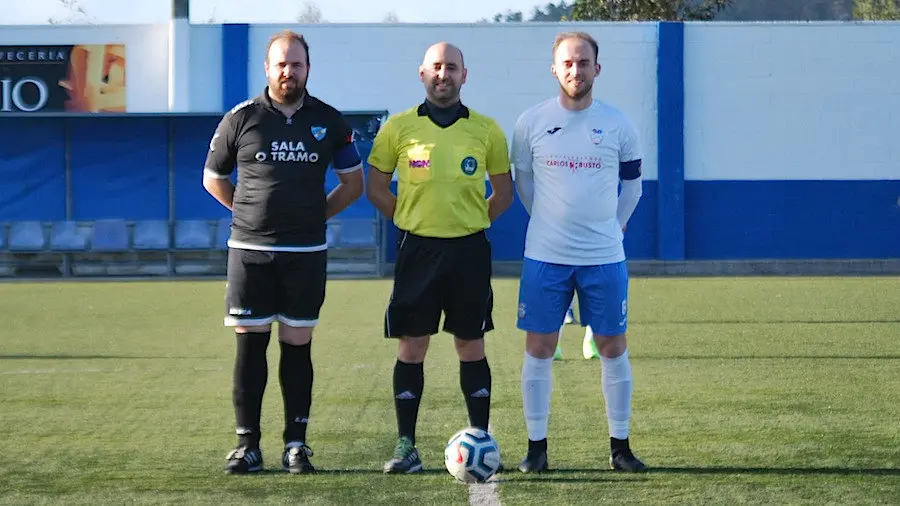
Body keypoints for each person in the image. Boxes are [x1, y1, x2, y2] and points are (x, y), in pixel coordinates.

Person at [203, 29, 364, 475]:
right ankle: (247, 446)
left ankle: (297, 444)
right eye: (281, 64)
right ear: (268, 68)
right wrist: (249, 211)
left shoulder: (330, 121)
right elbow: (213, 178)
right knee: (250, 347)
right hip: (250, 252)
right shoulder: (240, 118)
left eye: (296, 64)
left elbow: (354, 184)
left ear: (307, 69)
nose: (288, 71)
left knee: (297, 346)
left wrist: (316, 215)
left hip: (305, 253)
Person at [366, 41, 514, 474]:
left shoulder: (487, 130)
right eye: (436, 67)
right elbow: (376, 188)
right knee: (412, 345)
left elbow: (502, 194)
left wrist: (468, 221)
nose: (443, 74)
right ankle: (406, 446)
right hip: (418, 249)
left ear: (465, 75)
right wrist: (412, 220)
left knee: (471, 343)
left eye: (452, 67)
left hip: (469, 250)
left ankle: (480, 438)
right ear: (422, 74)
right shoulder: (397, 128)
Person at [511, 31, 647, 473]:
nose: (575, 70)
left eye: (583, 62)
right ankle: (536, 449)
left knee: (612, 345)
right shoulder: (530, 123)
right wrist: (551, 223)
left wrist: (614, 226)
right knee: (539, 347)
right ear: (554, 69)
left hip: (605, 256)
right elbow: (525, 187)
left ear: (597, 69)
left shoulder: (620, 125)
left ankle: (620, 448)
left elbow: (632, 187)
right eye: (567, 63)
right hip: (545, 255)